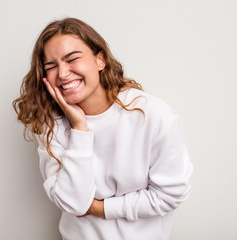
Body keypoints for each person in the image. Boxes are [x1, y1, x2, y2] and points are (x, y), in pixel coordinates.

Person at [12, 17, 194, 240]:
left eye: (72, 59)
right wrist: (80, 128)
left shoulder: (154, 115)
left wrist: (101, 208)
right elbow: (74, 203)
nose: (62, 73)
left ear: (100, 60)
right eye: (51, 66)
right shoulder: (51, 126)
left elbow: (170, 195)